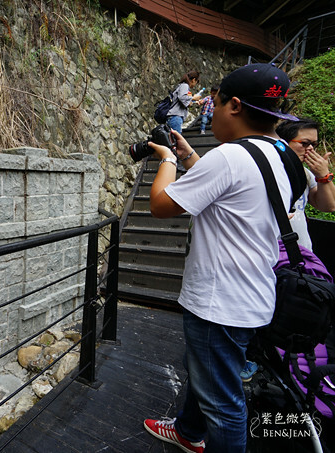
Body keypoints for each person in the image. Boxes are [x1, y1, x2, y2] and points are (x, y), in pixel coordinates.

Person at [142, 63, 301, 453]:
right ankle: (187, 431)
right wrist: (191, 157)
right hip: (252, 295)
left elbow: (161, 205)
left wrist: (167, 160)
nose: (211, 112)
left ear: (234, 105)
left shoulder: (229, 156)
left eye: (215, 103)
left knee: (224, 406)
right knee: (207, 372)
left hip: (219, 302)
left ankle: (197, 434)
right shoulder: (281, 154)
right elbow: (236, 193)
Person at [276, 118, 335, 250]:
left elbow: (329, 206)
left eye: (314, 144)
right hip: (274, 252)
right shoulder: (267, 171)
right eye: (304, 143)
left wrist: (323, 176)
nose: (310, 149)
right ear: (283, 143)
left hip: (302, 251)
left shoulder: (305, 173)